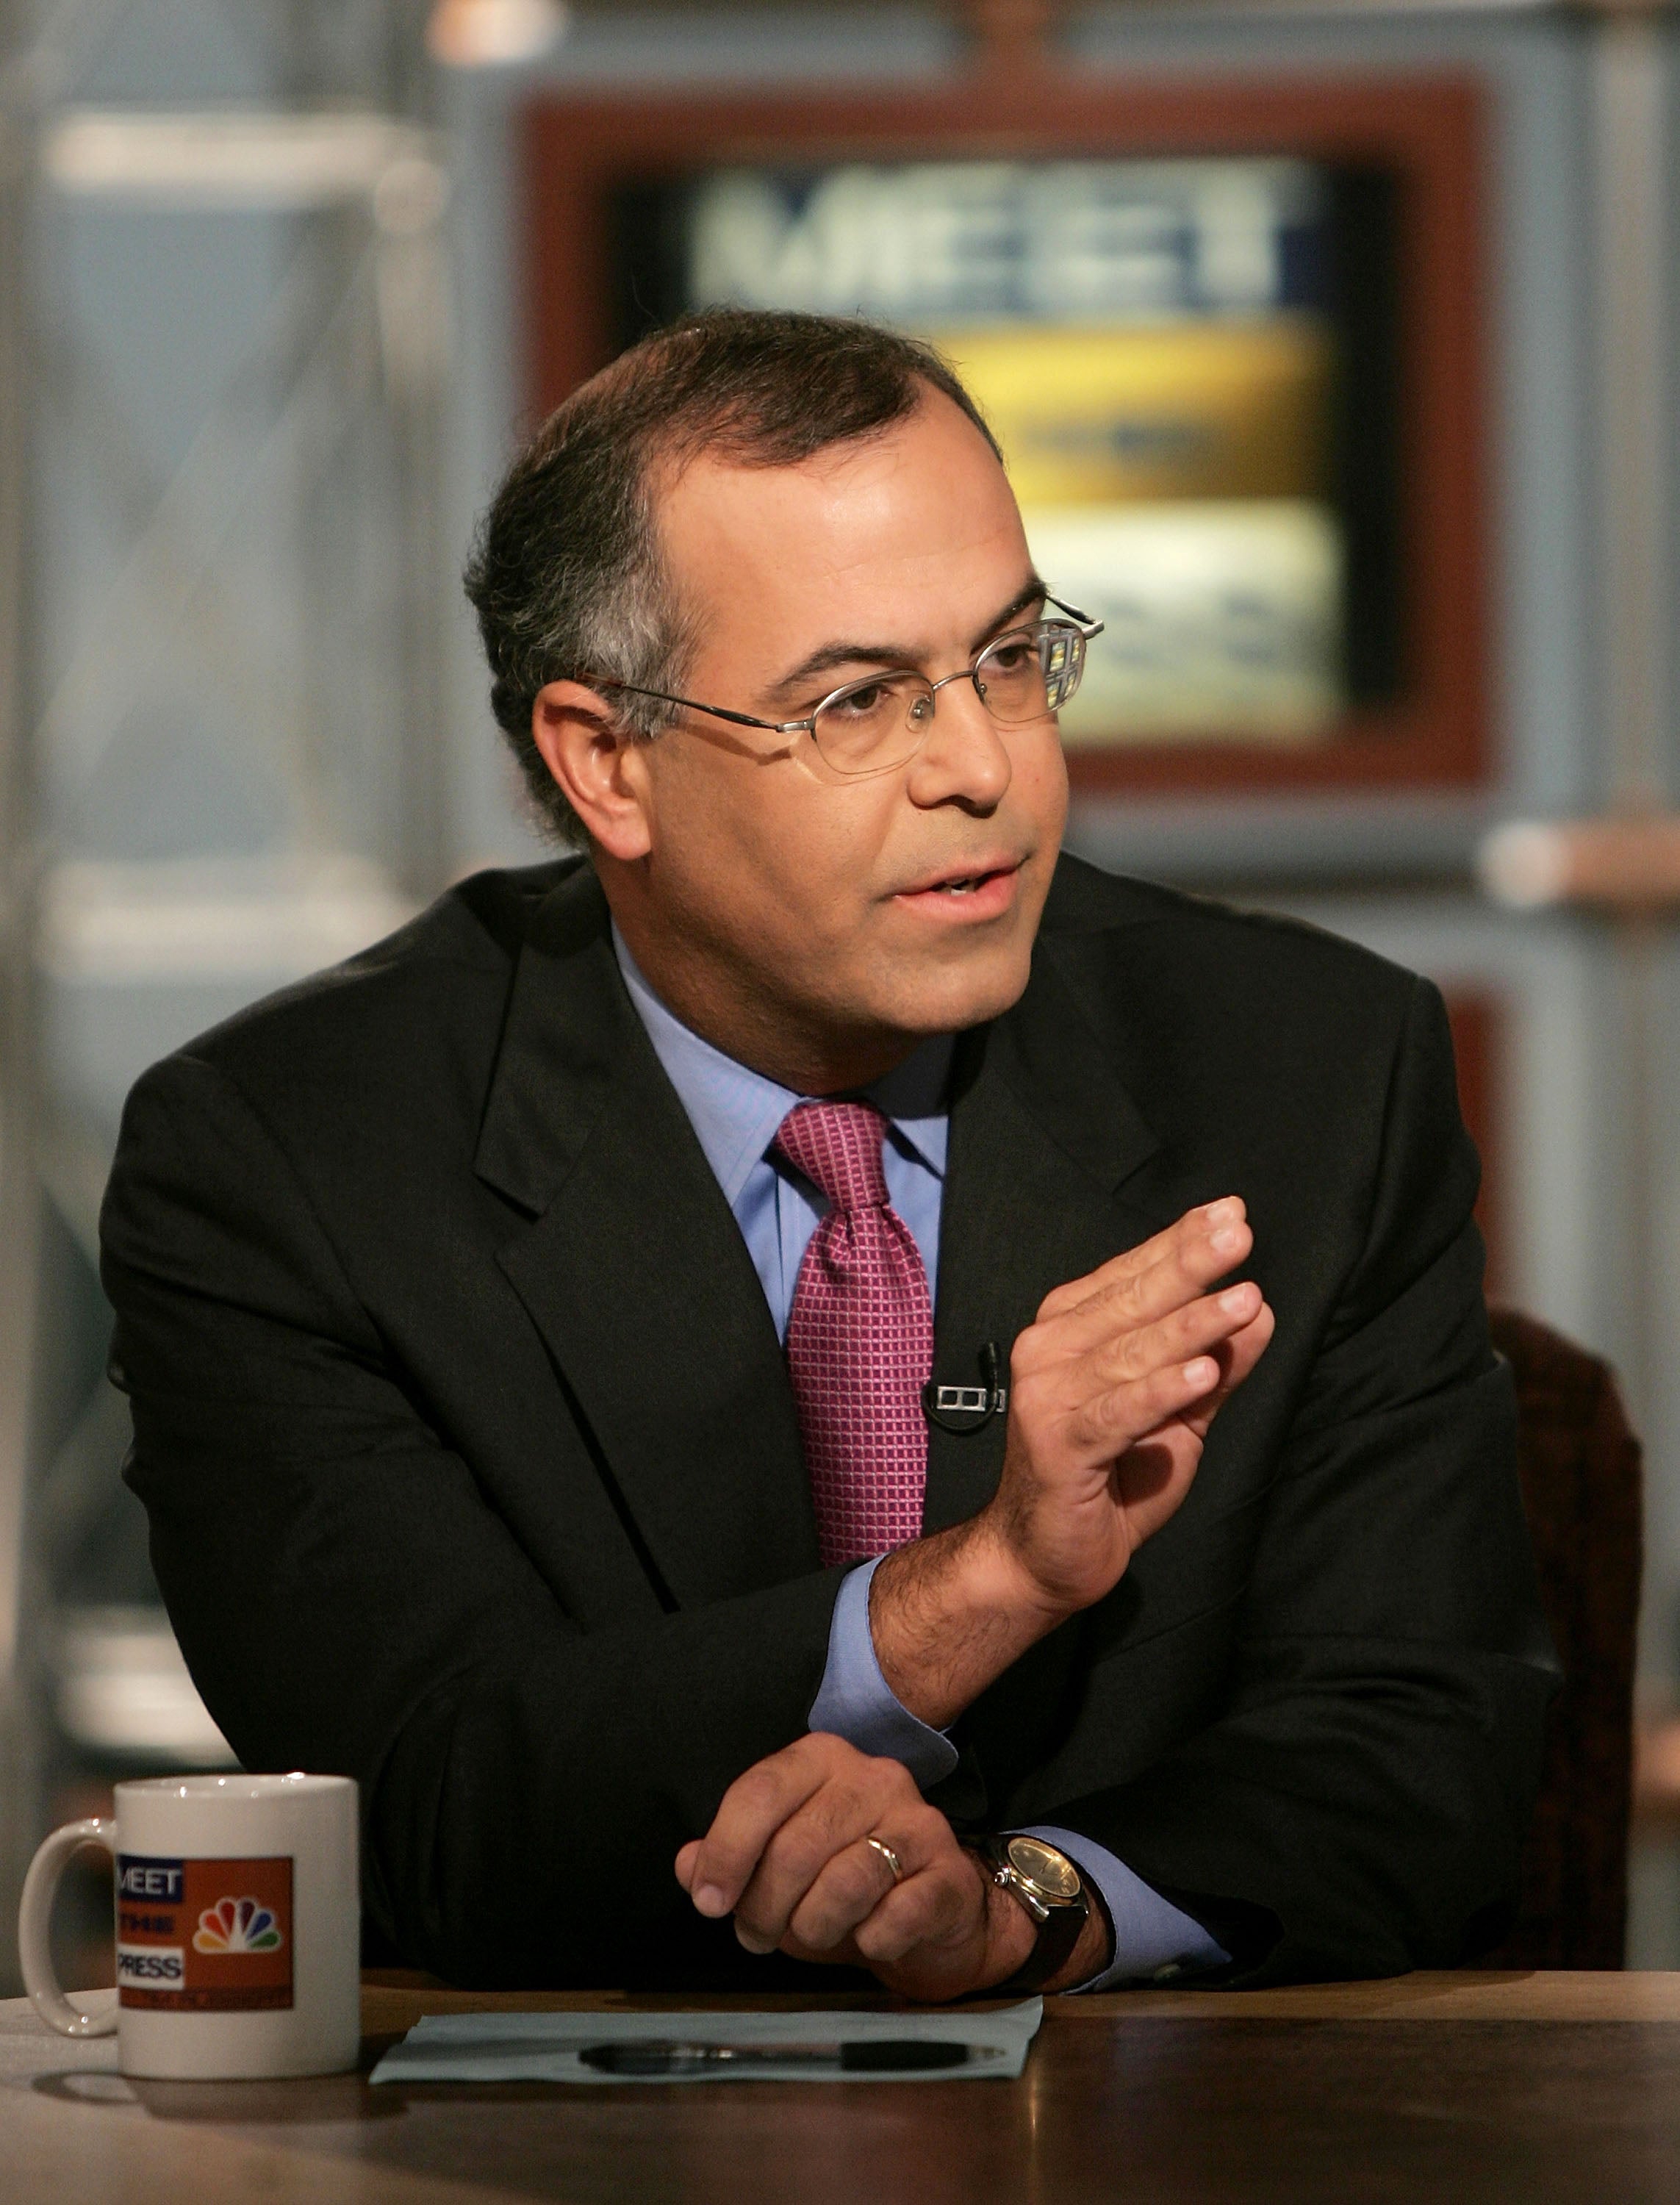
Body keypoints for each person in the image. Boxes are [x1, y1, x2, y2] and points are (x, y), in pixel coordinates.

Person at [101, 309, 1554, 1998]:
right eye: (858, 700)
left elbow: (1422, 1746)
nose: (984, 769)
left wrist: (1028, 1909)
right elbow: (430, 1806)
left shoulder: (1308, 1072)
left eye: (1009, 660)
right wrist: (986, 1583)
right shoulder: (290, 1164)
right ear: (604, 762)